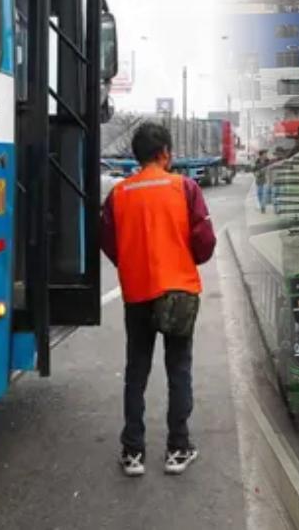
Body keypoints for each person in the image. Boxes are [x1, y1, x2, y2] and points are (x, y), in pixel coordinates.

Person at [102, 122, 217, 477]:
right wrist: (183, 258)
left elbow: (108, 240)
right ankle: (177, 449)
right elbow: (205, 241)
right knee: (178, 369)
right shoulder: (185, 188)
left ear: (136, 156)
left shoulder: (119, 194)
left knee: (136, 371)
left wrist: (133, 263)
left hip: (137, 293)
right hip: (178, 291)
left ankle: (133, 452)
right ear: (165, 153)